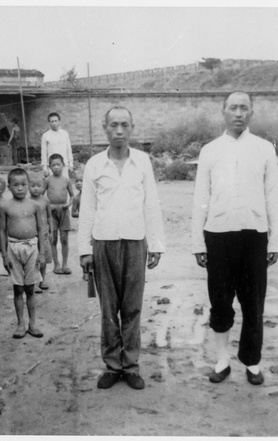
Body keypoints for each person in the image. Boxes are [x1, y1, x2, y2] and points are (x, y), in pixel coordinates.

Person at [191, 91, 278, 386]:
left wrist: (276, 240)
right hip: (218, 236)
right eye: (233, 108)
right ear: (224, 112)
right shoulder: (210, 150)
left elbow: (273, 196)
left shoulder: (264, 149)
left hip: (254, 236)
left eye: (245, 108)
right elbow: (200, 199)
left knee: (253, 302)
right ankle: (221, 360)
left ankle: (253, 362)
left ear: (252, 113)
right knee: (220, 301)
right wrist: (197, 242)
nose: (239, 113)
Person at [78, 106, 165, 391]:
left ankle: (131, 366)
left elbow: (151, 203)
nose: (119, 131)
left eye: (124, 125)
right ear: (104, 128)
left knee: (132, 308)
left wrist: (156, 243)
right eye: (113, 125)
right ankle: (112, 366)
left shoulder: (142, 161)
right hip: (103, 243)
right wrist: (84, 250)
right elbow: (87, 209)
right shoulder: (94, 164)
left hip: (135, 243)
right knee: (107, 309)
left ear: (132, 127)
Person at [0, 168, 46, 339]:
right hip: (14, 248)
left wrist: (41, 253)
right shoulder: (5, 206)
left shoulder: (34, 205)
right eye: (15, 185)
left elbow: (41, 229)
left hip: (32, 247)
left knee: (31, 288)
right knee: (18, 288)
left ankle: (33, 323)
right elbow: (2, 231)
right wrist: (4, 255)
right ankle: (20, 323)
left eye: (23, 184)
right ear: (9, 187)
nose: (20, 188)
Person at [45, 153, 74, 275]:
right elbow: (40, 197)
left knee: (64, 239)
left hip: (64, 210)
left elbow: (72, 196)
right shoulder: (47, 180)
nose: (56, 167)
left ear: (63, 165)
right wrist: (47, 206)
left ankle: (65, 264)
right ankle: (56, 264)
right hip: (52, 212)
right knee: (53, 239)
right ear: (49, 167)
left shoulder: (66, 181)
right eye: (53, 165)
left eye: (58, 164)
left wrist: (69, 204)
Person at [28, 171, 54, 291]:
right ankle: (33, 282)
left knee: (44, 258)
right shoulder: (27, 201)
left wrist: (51, 231)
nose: (36, 189)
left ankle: (42, 280)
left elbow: (49, 216)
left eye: (39, 186)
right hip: (32, 234)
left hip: (44, 234)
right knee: (33, 258)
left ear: (43, 187)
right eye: (32, 186)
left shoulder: (45, 201)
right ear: (28, 186)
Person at [40, 112, 73, 178]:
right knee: (53, 185)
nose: (54, 123)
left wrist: (71, 164)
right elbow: (44, 152)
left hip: (64, 165)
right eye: (52, 121)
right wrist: (45, 168)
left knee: (64, 184)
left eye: (56, 121)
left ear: (59, 122)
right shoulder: (46, 135)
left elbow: (69, 149)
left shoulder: (65, 133)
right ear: (49, 123)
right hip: (52, 165)